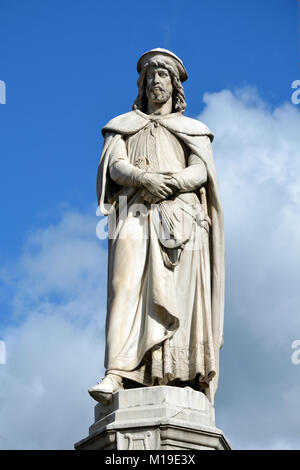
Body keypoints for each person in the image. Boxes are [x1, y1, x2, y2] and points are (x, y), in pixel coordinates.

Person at [89, 48, 224, 405]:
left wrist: (175, 183)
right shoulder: (122, 126)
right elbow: (115, 167)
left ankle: (179, 374)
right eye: (149, 76)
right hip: (133, 212)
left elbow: (201, 172)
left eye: (162, 76)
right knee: (125, 285)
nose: (155, 82)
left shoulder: (193, 130)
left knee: (177, 296)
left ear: (174, 84)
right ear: (142, 85)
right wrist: (144, 178)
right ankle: (116, 373)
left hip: (182, 220)